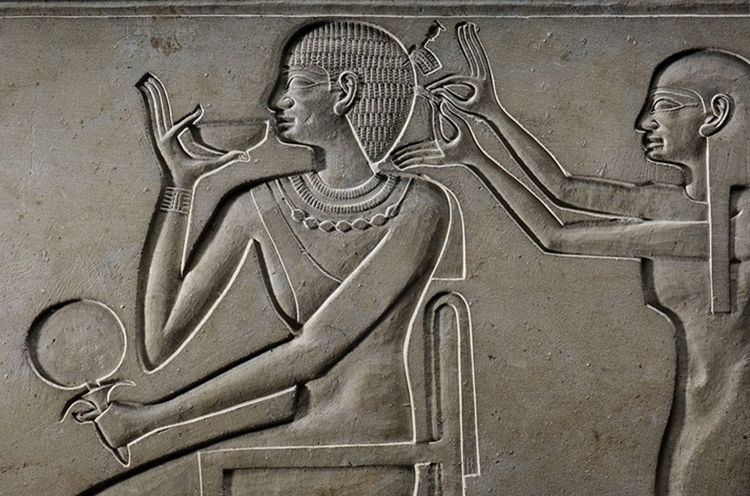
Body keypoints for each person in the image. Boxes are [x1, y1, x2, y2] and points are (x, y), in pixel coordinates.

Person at [85, 20, 459, 494]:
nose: (275, 100)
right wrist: (179, 185)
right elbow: (158, 345)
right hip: (297, 435)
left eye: (296, 83)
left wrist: (150, 419)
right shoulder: (257, 205)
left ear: (345, 92)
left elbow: (315, 351)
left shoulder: (420, 206)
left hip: (367, 448)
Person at [395, 21, 750, 496]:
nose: (644, 122)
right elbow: (562, 189)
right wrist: (489, 119)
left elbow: (557, 236)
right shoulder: (673, 202)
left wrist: (479, 157)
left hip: (732, 420)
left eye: (665, 105)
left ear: (716, 114)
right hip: (697, 413)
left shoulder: (742, 226)